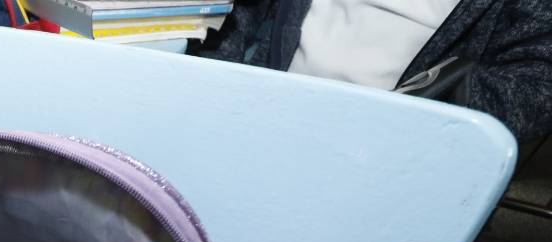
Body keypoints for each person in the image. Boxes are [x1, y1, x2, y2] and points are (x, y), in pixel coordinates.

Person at [199, 0, 552, 142]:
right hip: (267, 106)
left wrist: (422, 118)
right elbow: (238, 11)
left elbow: (537, 80)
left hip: (402, 142)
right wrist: (219, 82)